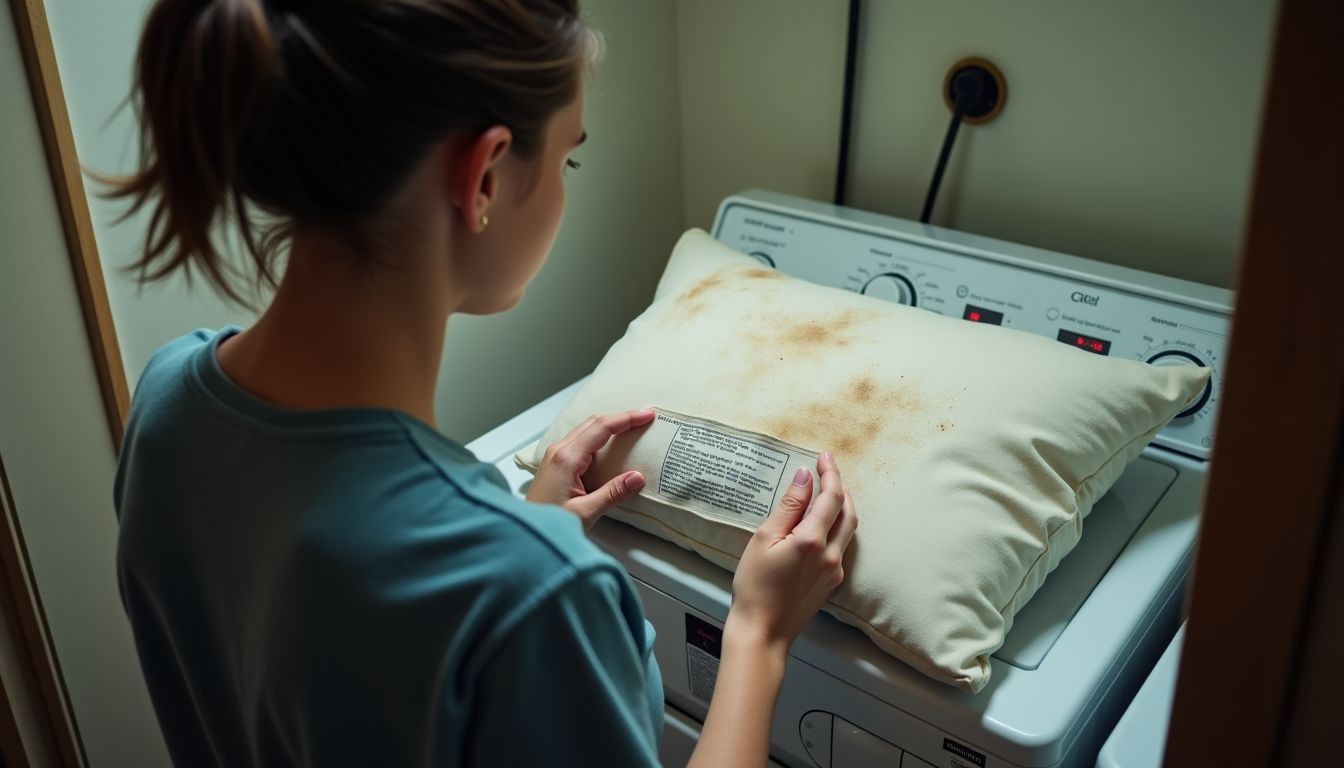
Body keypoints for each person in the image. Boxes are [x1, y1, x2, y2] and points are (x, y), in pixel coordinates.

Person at [110, 1, 858, 765]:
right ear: (485, 177)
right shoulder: (537, 597)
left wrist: (528, 527)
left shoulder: (168, 401)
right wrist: (760, 634)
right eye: (568, 159)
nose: (565, 186)